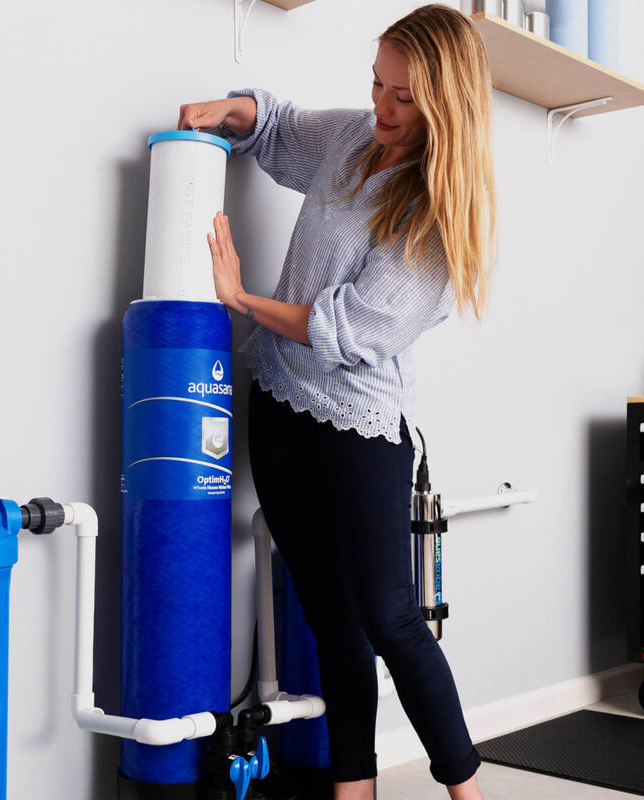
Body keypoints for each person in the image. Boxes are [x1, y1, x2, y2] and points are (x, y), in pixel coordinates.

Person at [178, 5, 495, 799]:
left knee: (392, 621)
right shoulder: (357, 136)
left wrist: (241, 299)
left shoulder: (433, 216)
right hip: (280, 409)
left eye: (403, 98)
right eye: (377, 85)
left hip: (360, 425)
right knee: (330, 622)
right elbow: (280, 130)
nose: (382, 109)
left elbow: (351, 330)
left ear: (446, 107)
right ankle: (354, 790)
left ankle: (470, 791)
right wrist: (229, 110)